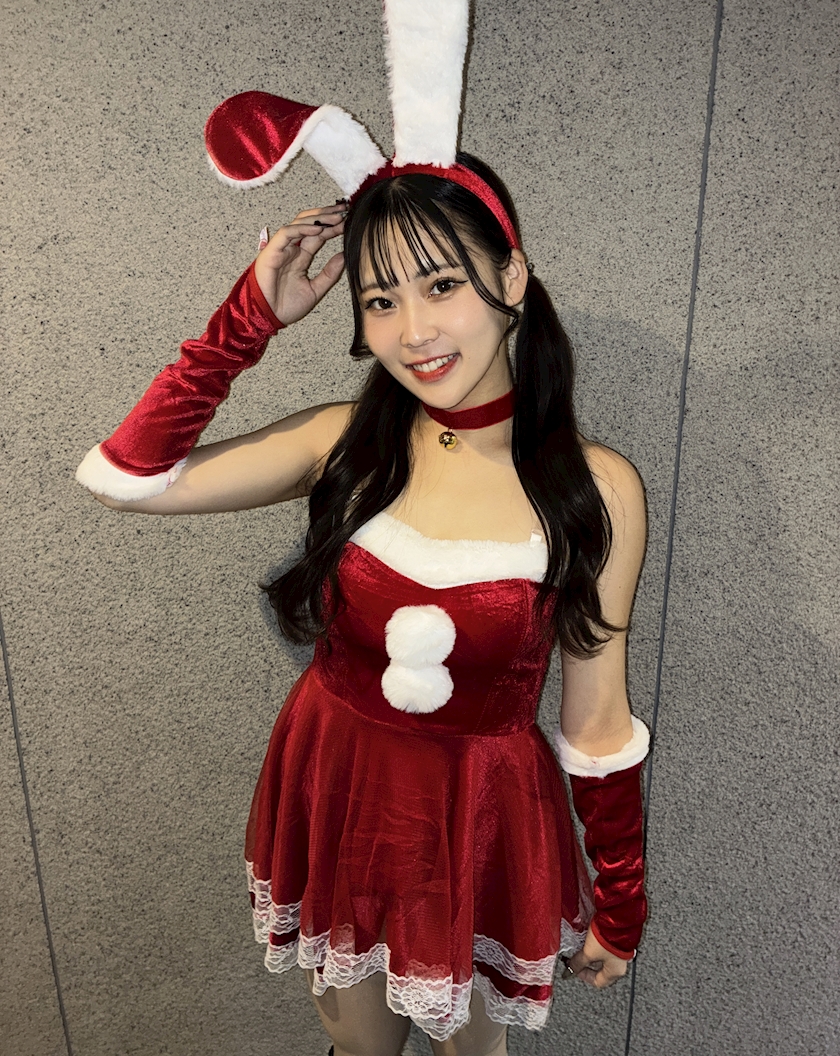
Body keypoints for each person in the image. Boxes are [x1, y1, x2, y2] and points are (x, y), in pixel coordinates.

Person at [76, 152, 649, 1056]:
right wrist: (249, 319)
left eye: (442, 284)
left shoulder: (595, 488)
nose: (414, 331)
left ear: (511, 277)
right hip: (336, 790)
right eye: (380, 300)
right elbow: (124, 479)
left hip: (478, 819)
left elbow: (598, 722)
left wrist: (621, 895)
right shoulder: (342, 443)